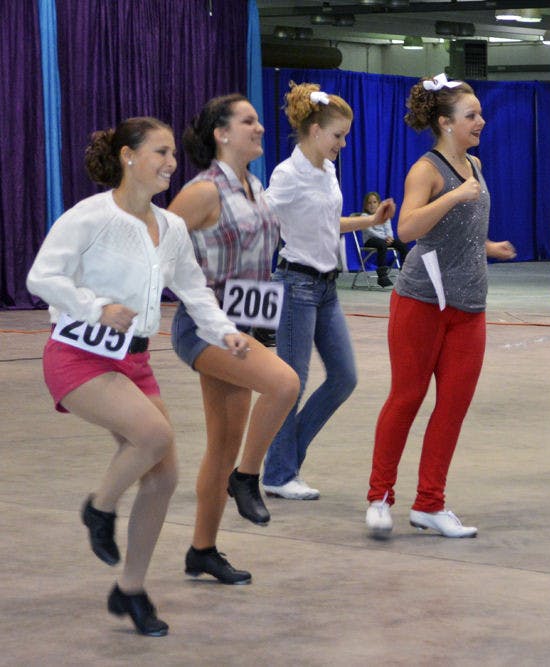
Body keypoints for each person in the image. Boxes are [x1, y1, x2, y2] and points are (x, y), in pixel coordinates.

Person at [26, 117, 249, 636]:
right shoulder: (90, 216)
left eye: (174, 154)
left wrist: (226, 333)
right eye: (160, 152)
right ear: (128, 156)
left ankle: (130, 590)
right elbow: (42, 276)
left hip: (134, 361)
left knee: (164, 476)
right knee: (153, 435)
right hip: (77, 355)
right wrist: (94, 306)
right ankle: (99, 509)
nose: (172, 162)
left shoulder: (170, 228)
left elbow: (195, 290)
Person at [364, 73, 516, 538]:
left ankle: (430, 503)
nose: (481, 122)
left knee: (452, 406)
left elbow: (460, 228)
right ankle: (379, 497)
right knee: (406, 398)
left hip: (470, 305)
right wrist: (454, 194)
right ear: (447, 123)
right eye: (472, 116)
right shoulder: (427, 170)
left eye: (480, 114)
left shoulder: (475, 166)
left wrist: (487, 247)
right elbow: (405, 230)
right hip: (421, 302)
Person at [168, 94, 299, 584]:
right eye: (249, 122)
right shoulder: (204, 192)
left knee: (221, 445)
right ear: (222, 133)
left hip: (243, 326)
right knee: (285, 384)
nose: (260, 128)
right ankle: (247, 478)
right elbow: (160, 252)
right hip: (205, 328)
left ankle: (202, 549)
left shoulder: (255, 187)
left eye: (259, 120)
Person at [261, 83, 396, 500]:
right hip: (296, 285)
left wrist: (370, 220)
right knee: (292, 383)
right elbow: (261, 218)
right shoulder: (287, 174)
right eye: (338, 135)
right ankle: (279, 473)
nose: (343, 143)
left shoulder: (327, 170)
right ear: (315, 130)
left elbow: (327, 224)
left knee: (344, 377)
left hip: (326, 287)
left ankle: (280, 459)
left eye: (345, 136)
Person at [360, 191, 409, 287]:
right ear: (365, 206)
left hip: (385, 239)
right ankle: (382, 276)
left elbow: (388, 228)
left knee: (402, 244)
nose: (372, 205)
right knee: (381, 244)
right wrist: (385, 238)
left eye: (374, 202)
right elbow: (370, 232)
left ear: (379, 204)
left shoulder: (384, 215)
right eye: (369, 203)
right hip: (371, 240)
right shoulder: (364, 216)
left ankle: (405, 272)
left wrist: (390, 237)